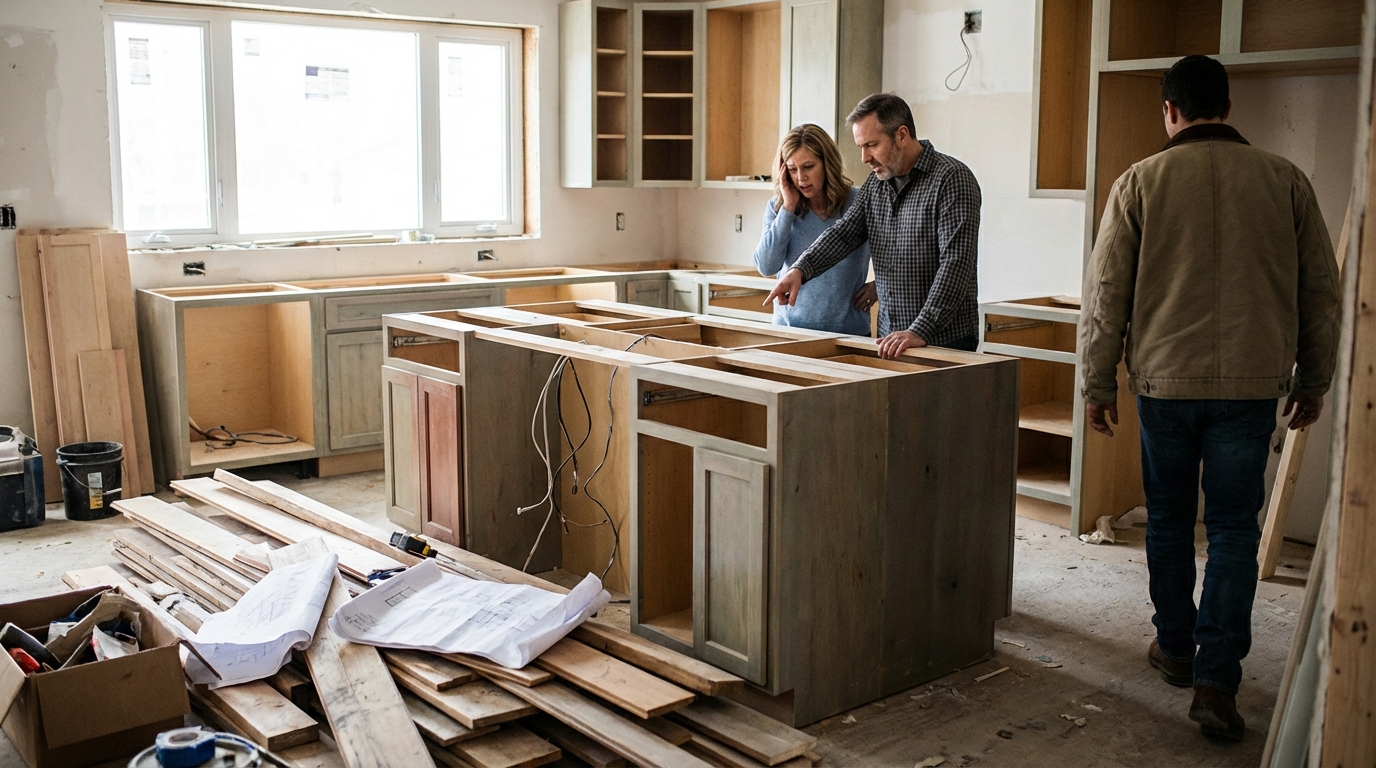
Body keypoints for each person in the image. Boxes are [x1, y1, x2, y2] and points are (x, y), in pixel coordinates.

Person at [1078, 55, 1340, 742]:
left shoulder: (1138, 181)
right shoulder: (1285, 180)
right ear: (1226, 108)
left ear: (1169, 111)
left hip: (1165, 385)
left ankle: (1175, 647)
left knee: (1167, 521)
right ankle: (1217, 681)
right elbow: (1321, 291)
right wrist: (1314, 377)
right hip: (1253, 385)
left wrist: (1096, 382)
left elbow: (1106, 296)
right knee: (1232, 529)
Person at [762, 93, 981, 358]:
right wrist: (799, 270)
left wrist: (920, 330)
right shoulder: (876, 186)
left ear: (902, 135)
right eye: (861, 147)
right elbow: (842, 236)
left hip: (943, 339)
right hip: (890, 340)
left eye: (872, 145)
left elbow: (956, 264)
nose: (865, 157)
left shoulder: (952, 179)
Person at [752, 124, 874, 336]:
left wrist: (879, 286)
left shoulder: (858, 202)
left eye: (808, 167)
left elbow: (897, 251)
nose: (801, 178)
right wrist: (788, 208)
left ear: (827, 164)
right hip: (790, 331)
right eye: (792, 169)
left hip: (849, 332)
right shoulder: (778, 208)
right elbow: (766, 266)